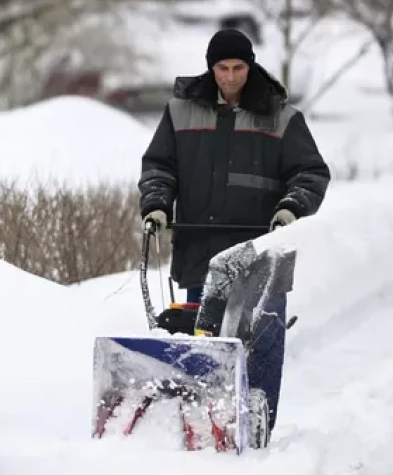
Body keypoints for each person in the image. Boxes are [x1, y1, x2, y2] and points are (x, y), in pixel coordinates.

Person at [136, 28, 331, 447]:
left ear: (251, 64)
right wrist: (156, 204)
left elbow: (311, 174)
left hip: (263, 251)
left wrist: (288, 210)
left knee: (260, 338)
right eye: (222, 68)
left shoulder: (281, 117)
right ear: (211, 67)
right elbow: (159, 167)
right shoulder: (181, 112)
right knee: (203, 339)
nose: (230, 76)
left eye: (238, 67)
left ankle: (256, 428)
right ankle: (206, 430)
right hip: (199, 249)